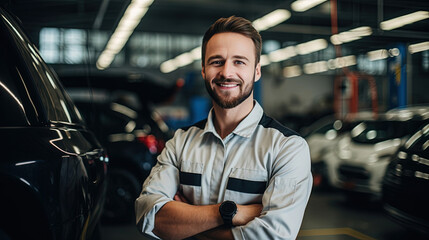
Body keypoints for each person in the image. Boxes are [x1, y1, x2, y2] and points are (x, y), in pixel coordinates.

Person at [135, 16, 312, 240]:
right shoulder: (180, 142)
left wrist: (190, 225)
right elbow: (149, 215)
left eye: (239, 62)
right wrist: (229, 213)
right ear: (203, 70)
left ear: (257, 71)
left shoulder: (288, 148)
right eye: (216, 61)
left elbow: (274, 235)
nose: (227, 73)